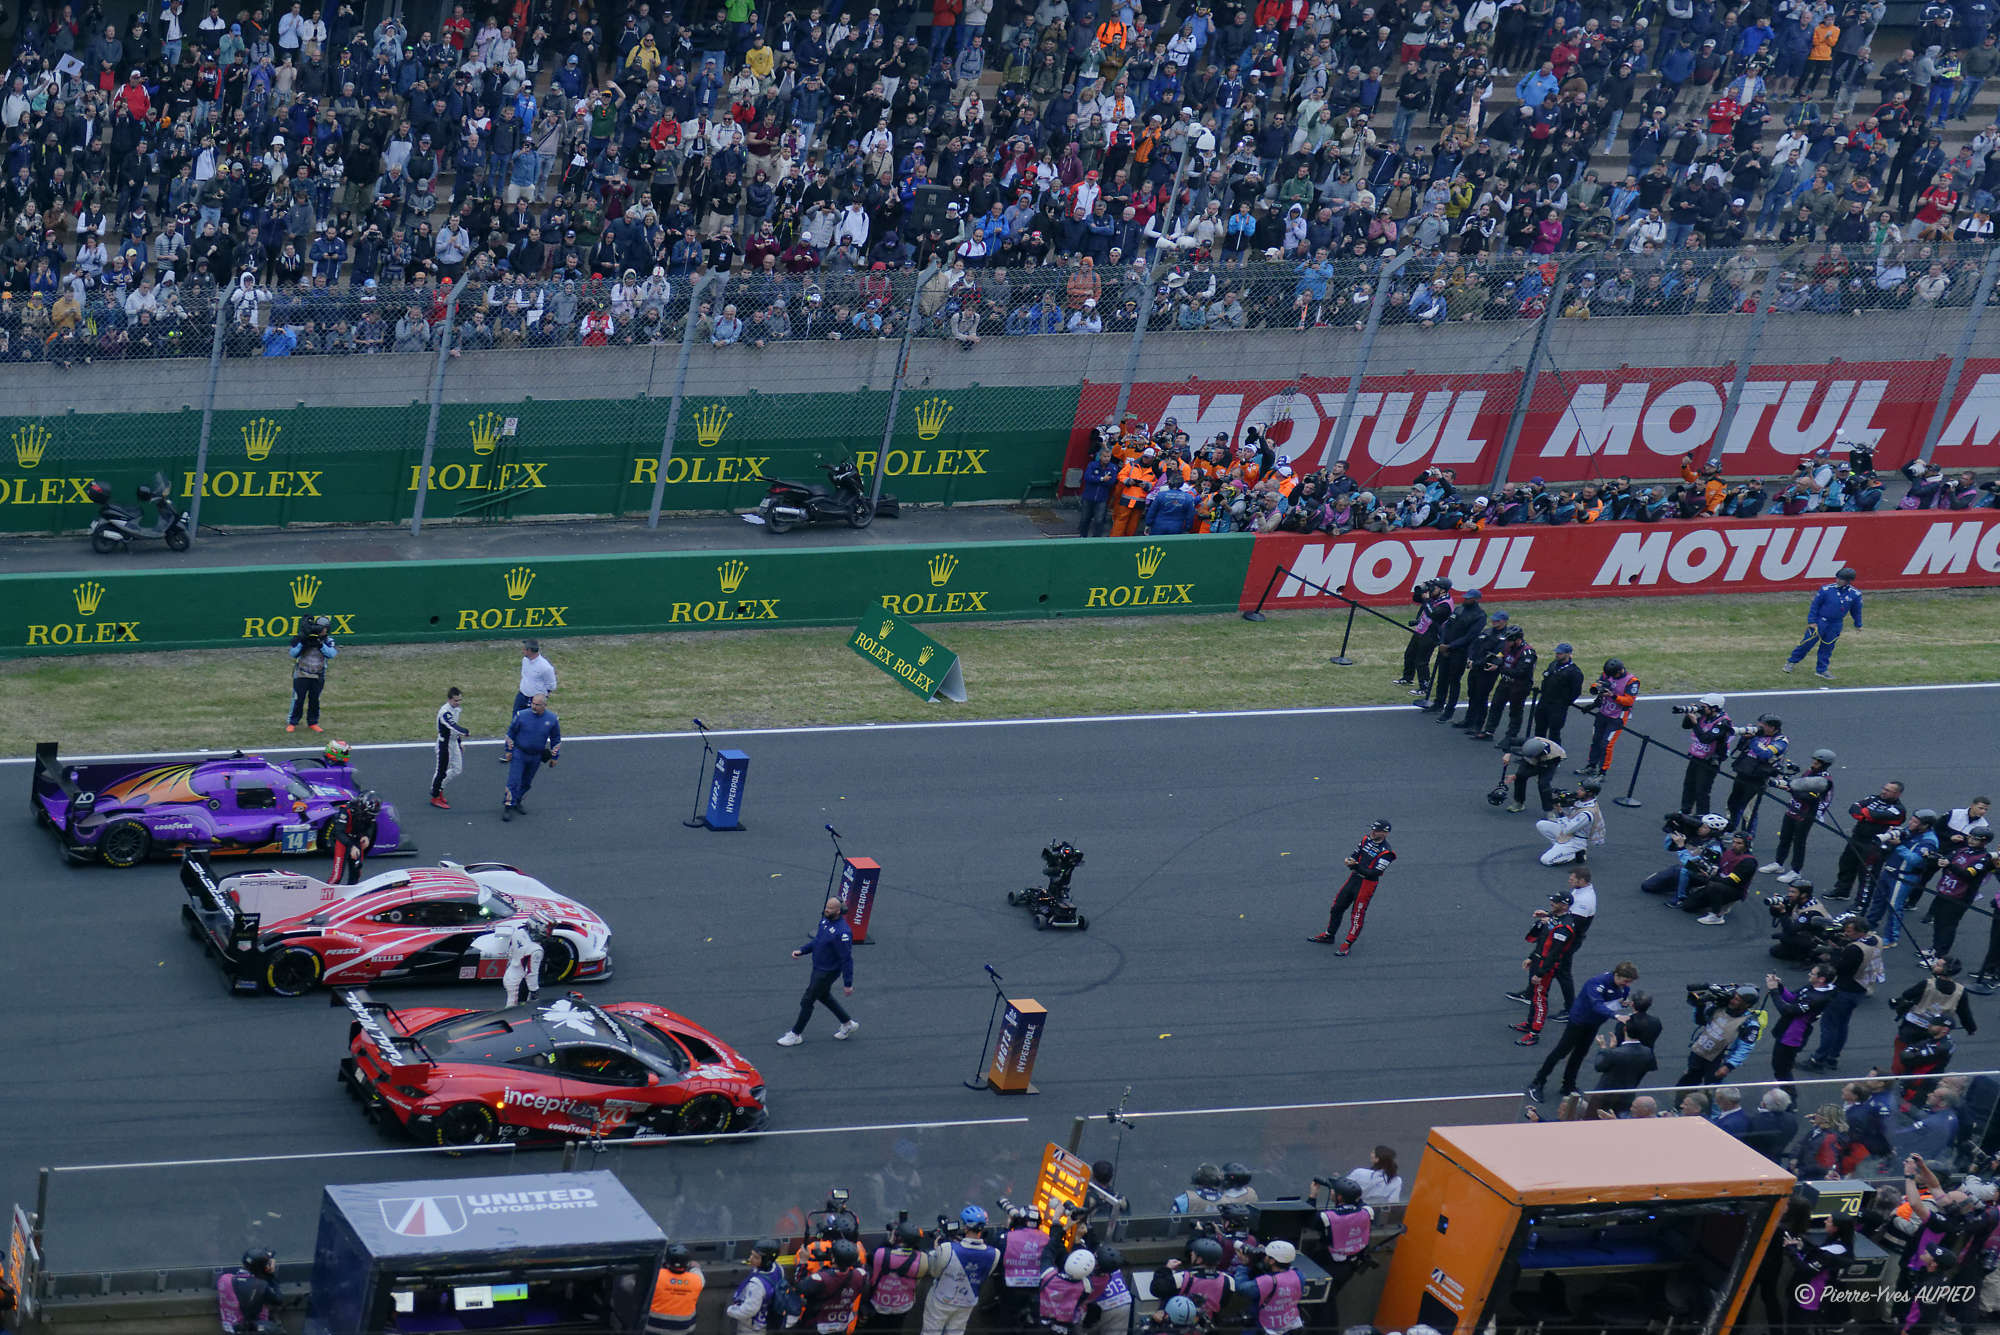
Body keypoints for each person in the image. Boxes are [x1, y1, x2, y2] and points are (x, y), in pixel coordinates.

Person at [1526, 958, 1639, 1104]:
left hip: (1594, 1023)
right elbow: (1596, 1004)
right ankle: (1537, 1083)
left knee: (1580, 1054)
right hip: (1579, 1021)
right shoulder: (1597, 983)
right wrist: (1615, 1015)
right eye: (1626, 980)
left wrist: (1622, 1004)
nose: (1628, 985)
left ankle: (1568, 1085)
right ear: (1616, 974)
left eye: (1630, 982)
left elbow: (1613, 1002)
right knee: (1561, 1052)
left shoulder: (1623, 988)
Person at [1799, 915, 1886, 1072]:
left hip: (1844, 990)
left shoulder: (1854, 949)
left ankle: (1818, 1060)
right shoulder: (1876, 940)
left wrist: (1831, 954)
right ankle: (1832, 1057)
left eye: (1849, 931)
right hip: (1860, 987)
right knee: (1842, 1025)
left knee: (1829, 1025)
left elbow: (1840, 968)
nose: (1845, 933)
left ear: (1860, 932)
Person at [1309, 819, 1396, 954]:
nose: (1372, 832)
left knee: (1357, 915)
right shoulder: (1365, 839)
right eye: (1372, 829)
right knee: (1337, 907)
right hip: (1354, 879)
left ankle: (1347, 944)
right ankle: (1329, 935)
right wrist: (1349, 860)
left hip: (1367, 884)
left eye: (1376, 830)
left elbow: (1376, 873)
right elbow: (1355, 854)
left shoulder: (1387, 853)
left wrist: (1356, 866)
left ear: (1385, 833)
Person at [779, 897, 857, 1046]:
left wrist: (848, 983)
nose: (826, 910)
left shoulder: (843, 932)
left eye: (830, 908)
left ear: (838, 911)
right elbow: (817, 941)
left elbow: (847, 959)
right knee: (823, 996)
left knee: (808, 1000)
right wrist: (802, 951)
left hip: (827, 972)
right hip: (818, 968)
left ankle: (796, 1034)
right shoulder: (825, 921)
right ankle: (847, 1023)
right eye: (826, 907)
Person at [1510, 889, 1581, 1046]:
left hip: (1546, 967)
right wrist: (1532, 956)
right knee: (1535, 996)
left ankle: (1534, 1033)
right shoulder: (1555, 918)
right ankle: (1530, 1024)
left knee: (1540, 998)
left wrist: (1541, 973)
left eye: (1555, 902)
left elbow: (1554, 953)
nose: (1551, 903)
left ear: (1564, 905)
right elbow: (1542, 941)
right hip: (1539, 961)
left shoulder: (1564, 927)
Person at [922, 1208, 999, 1335]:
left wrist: (937, 1251)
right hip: (967, 1301)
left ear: (965, 1227)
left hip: (942, 1299)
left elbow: (934, 1272)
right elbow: (984, 1274)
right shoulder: (995, 1254)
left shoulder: (947, 1249)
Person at [1306, 1179, 1371, 1328]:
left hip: (1327, 1266)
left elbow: (1308, 1219)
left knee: (1324, 1305)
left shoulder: (1328, 1217)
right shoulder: (1367, 1212)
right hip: (1350, 1266)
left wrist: (1313, 1196)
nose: (1332, 1192)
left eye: (1334, 1191)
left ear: (1339, 1198)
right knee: (1326, 1301)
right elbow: (1360, 1202)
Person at [1765, 750, 1837, 881]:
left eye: (1818, 761)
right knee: (1784, 837)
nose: (1814, 763)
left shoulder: (1824, 781)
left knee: (1799, 842)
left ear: (1825, 764)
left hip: (1806, 813)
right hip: (1793, 808)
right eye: (1814, 760)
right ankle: (1778, 863)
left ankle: (1796, 871)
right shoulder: (1809, 772)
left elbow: (1810, 797)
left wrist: (1791, 789)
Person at [1829, 780, 1907, 900]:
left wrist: (1865, 813)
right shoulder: (1873, 798)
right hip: (1857, 837)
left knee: (1866, 874)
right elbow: (1853, 808)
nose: (1883, 792)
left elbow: (1874, 815)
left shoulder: (1898, 810)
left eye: (1887, 790)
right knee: (1846, 864)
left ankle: (1861, 902)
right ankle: (1842, 891)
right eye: (1884, 788)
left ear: (1897, 794)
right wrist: (1866, 814)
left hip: (1874, 844)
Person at [1927, 824, 1996, 961]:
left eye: (1975, 839)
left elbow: (1967, 875)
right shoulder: (1962, 850)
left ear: (1984, 842)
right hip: (1945, 891)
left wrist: (1949, 865)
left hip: (1959, 897)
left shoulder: (1984, 859)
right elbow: (1947, 858)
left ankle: (1940, 955)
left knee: (1948, 925)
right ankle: (1934, 948)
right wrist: (1937, 859)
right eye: (1970, 837)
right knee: (1938, 921)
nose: (1971, 840)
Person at [1675, 984, 1764, 1087]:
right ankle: (1682, 1101)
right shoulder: (1719, 1007)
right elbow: (1700, 1021)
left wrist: (1728, 1066)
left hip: (1718, 1060)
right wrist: (1699, 1006)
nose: (1732, 1001)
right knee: (1687, 1082)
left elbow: (1744, 1049)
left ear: (1747, 1005)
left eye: (1737, 1000)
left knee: (1711, 1089)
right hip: (1699, 1052)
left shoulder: (1750, 1024)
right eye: (1733, 997)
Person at [1783, 565, 1862, 679]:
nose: (1838, 580)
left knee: (1828, 647)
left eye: (1841, 579)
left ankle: (1822, 670)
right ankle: (1791, 662)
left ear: (1848, 581)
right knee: (1807, 643)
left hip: (1836, 624)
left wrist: (1858, 624)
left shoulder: (1855, 594)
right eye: (1838, 578)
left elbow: (1856, 610)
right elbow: (1815, 605)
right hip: (1820, 622)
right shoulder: (1826, 590)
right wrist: (1811, 621)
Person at [1767, 965, 1834, 1095]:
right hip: (1787, 1030)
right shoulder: (1814, 987)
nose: (1809, 974)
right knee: (1781, 1067)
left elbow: (1787, 1010)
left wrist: (1774, 991)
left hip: (1792, 1036)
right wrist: (1779, 986)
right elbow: (1792, 998)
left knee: (1781, 1069)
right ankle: (1785, 1094)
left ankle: (1790, 1099)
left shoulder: (1817, 998)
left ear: (1821, 979)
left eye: (1813, 973)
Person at [1589, 1003, 1660, 1115]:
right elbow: (1648, 1068)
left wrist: (1604, 1048)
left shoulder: (1615, 1053)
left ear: (1625, 1029)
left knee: (1593, 1120)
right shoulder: (1647, 1052)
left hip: (1605, 1095)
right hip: (1628, 1095)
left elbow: (1599, 1066)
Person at [1722, 714, 1788, 833]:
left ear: (1773, 728)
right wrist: (1745, 738)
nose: (1759, 728)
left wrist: (1753, 738)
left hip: (1758, 779)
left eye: (1763, 726)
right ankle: (1729, 831)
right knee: (1732, 804)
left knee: (1748, 811)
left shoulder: (1781, 741)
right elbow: (1742, 748)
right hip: (1743, 773)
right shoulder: (1759, 735)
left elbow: (1765, 754)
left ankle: (1747, 839)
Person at [503, 693, 561, 820]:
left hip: (536, 756)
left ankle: (517, 801)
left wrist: (555, 757)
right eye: (533, 703)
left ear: (544, 705)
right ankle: (508, 805)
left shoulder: (552, 719)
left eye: (537, 705)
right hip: (520, 753)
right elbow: (511, 732)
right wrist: (508, 750)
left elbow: (556, 739)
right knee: (514, 780)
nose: (533, 707)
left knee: (527, 782)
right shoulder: (522, 715)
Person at [1476, 624, 1537, 744]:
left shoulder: (1528, 653)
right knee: (1495, 706)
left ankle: (1511, 736)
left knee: (1515, 711)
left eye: (1509, 640)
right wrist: (1495, 661)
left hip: (1519, 686)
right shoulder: (1507, 648)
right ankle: (1489, 731)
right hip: (1505, 682)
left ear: (1517, 639)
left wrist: (1499, 668)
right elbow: (1500, 656)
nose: (1507, 643)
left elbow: (1519, 672)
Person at [1581, 657, 1640, 778]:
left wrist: (1613, 696)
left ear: (1619, 671)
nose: (1610, 677)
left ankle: (1602, 772)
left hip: (1617, 717)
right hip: (1603, 713)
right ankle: (1591, 766)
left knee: (1606, 744)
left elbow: (1629, 701)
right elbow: (1597, 683)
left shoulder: (1632, 681)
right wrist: (1596, 688)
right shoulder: (1607, 674)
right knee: (1596, 740)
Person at [1229, 1239, 1302, 1335]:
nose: (1264, 1257)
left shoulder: (1268, 1281)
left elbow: (1241, 1289)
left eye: (1266, 1256)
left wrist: (1244, 1265)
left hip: (1263, 1327)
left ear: (1272, 1261)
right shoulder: (1299, 1275)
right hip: (1287, 1325)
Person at [502, 639, 559, 762]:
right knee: (515, 722)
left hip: (534, 700)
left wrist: (541, 698)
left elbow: (552, 685)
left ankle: (533, 751)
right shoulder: (525, 661)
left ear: (529, 651)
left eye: (524, 649)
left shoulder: (545, 667)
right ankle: (510, 750)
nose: (522, 651)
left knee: (532, 726)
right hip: (522, 695)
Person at [863, 1223, 929, 1329]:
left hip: (879, 1305)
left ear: (897, 1238)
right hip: (903, 1305)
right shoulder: (923, 1259)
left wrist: (889, 1241)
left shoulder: (881, 1254)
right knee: (896, 1329)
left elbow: (870, 1257)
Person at [1395, 577, 1454, 693]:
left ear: (1443, 590)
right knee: (1409, 654)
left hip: (1432, 634)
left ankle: (1424, 687)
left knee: (1421, 661)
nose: (1432, 589)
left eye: (1435, 587)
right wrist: (1420, 590)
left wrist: (1426, 600)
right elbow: (1416, 599)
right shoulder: (1434, 596)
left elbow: (1433, 614)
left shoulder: (1446, 604)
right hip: (1421, 629)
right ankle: (1407, 678)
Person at [1678, 695, 1733, 814]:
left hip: (1709, 761)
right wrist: (1689, 715)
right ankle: (1685, 811)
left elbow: (1705, 738)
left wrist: (1695, 722)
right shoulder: (1704, 716)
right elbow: (1686, 726)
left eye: (1704, 707)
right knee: (1689, 785)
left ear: (1714, 708)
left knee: (1702, 791)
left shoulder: (1723, 722)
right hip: (1696, 756)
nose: (1701, 709)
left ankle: (1701, 816)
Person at [798, 1239, 867, 1335]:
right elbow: (860, 1266)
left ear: (833, 1259)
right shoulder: (860, 1275)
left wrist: (802, 1262)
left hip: (817, 1327)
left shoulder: (820, 1279)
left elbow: (800, 1285)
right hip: (841, 1327)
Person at [287, 614, 336, 733]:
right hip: (301, 673)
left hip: (318, 674)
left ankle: (313, 722)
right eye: (320, 627)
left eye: (324, 628)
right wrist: (303, 643)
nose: (322, 630)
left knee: (315, 699)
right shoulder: (303, 638)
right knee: (298, 698)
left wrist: (320, 645)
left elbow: (332, 654)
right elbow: (293, 653)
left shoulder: (328, 641)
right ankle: (292, 722)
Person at [1536, 782, 1604, 867]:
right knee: (1541, 824)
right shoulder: (1584, 801)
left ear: (1590, 793)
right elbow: (1571, 813)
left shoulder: (1587, 813)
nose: (1577, 791)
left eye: (1581, 790)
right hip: (1569, 833)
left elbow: (1568, 828)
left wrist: (1560, 812)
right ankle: (1560, 848)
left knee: (1546, 860)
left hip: (1576, 840)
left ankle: (1573, 853)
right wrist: (1563, 803)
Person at [726, 1240, 784, 1335]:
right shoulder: (778, 1268)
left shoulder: (757, 1285)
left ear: (766, 1260)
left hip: (752, 1328)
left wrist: (731, 1311)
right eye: (751, 1254)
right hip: (767, 1321)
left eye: (756, 1257)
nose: (750, 1258)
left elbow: (749, 1310)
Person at [1531, 643, 1584, 747]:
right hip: (1544, 702)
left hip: (1558, 706)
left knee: (1554, 732)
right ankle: (1537, 752)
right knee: (1539, 729)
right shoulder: (1553, 665)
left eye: (1560, 653)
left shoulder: (1574, 672)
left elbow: (1576, 691)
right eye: (1557, 653)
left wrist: (1564, 702)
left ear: (1568, 654)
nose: (1557, 655)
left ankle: (1555, 757)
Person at [218, 1248, 282, 1334]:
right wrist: (271, 1276)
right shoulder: (260, 1285)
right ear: (264, 1268)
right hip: (251, 1330)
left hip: (230, 1330)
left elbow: (245, 1283)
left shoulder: (224, 1279)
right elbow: (278, 1300)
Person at [647, 1244, 704, 1335]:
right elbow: (696, 1266)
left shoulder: (656, 1276)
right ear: (687, 1263)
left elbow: (629, 1284)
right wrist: (694, 1266)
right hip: (684, 1330)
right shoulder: (697, 1280)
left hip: (653, 1328)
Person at [1036, 1250, 1097, 1335]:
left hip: (1040, 1323)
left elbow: (1047, 1255)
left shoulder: (1048, 1275)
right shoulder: (1086, 1286)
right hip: (1065, 1327)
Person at [1501, 737, 1567, 814]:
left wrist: (1516, 776)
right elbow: (1508, 740)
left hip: (1548, 764)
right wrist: (1507, 753)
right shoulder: (1529, 742)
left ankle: (1549, 810)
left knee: (1543, 784)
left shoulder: (1552, 757)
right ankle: (1519, 803)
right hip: (1533, 758)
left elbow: (1538, 770)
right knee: (1520, 776)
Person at [328, 791, 381, 884]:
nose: (369, 816)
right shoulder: (346, 810)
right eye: (368, 814)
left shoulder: (371, 813)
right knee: (337, 876)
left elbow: (371, 825)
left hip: (357, 841)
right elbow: (339, 832)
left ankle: (351, 895)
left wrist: (367, 836)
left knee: (356, 873)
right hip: (344, 841)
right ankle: (327, 895)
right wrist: (351, 846)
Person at [431, 686, 470, 809]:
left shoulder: (456, 709)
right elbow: (452, 726)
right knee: (441, 771)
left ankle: (439, 787)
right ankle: (435, 795)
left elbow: (454, 731)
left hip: (453, 742)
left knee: (457, 769)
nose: (458, 703)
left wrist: (459, 742)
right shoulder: (444, 712)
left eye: (459, 700)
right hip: (444, 744)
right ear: (449, 700)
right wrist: (465, 731)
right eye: (455, 701)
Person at [499, 919, 545, 1007]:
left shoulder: (518, 932)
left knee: (513, 1005)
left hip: (510, 973)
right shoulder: (536, 949)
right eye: (547, 928)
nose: (548, 931)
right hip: (519, 982)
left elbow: (511, 952)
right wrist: (534, 990)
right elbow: (531, 973)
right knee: (515, 1009)